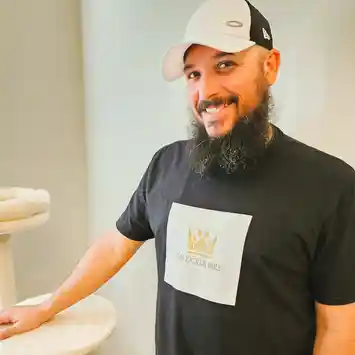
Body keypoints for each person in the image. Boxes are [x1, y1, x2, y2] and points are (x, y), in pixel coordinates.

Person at [1, 0, 355, 354]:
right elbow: (114, 246)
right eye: (193, 75)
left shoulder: (330, 187)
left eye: (225, 65)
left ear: (270, 66)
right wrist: (47, 307)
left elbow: (338, 328)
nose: (206, 92)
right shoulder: (167, 165)